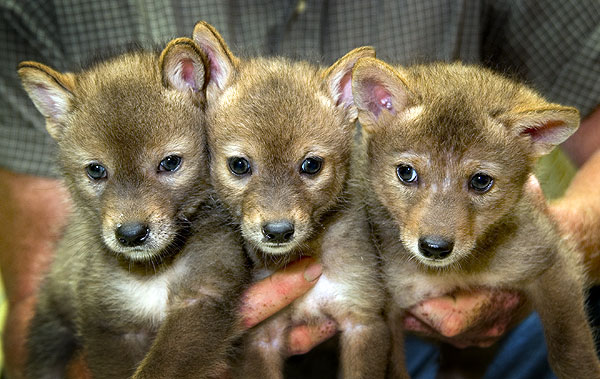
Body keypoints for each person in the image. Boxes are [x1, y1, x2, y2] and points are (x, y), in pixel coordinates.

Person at [1, 1, 599, 378]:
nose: (278, 214)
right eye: (236, 166)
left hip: (431, 316)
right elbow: (45, 305)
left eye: (313, 169)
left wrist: (533, 250)